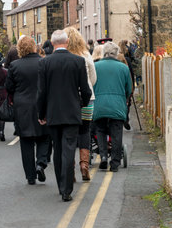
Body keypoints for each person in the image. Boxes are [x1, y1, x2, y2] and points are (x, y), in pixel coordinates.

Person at [37, 30, 91, 202]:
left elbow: (41, 92)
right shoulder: (78, 61)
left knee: (58, 149)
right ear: (67, 42)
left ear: (53, 44)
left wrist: (41, 113)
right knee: (68, 148)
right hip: (72, 112)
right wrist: (81, 103)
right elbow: (86, 90)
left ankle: (62, 186)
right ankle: (67, 189)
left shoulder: (45, 63)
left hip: (53, 113)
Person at [6, 36, 50, 185]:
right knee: (44, 136)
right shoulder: (44, 62)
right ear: (34, 47)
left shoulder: (14, 65)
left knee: (26, 141)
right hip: (41, 104)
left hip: (22, 106)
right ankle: (41, 163)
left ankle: (30, 176)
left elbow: (9, 87)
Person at [93, 42, 132, 172]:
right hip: (117, 106)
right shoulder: (124, 68)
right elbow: (129, 89)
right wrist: (124, 98)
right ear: (116, 54)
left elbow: (91, 85)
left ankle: (103, 156)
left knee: (100, 130)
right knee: (116, 133)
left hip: (100, 105)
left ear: (104, 53)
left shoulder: (95, 66)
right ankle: (115, 163)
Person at [64, 27, 97, 181]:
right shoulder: (86, 55)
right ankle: (84, 164)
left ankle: (70, 169)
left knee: (69, 134)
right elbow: (93, 78)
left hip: (69, 99)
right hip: (87, 98)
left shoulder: (64, 57)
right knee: (85, 131)